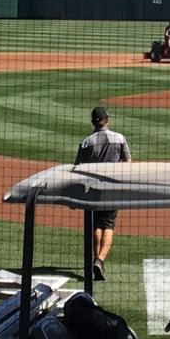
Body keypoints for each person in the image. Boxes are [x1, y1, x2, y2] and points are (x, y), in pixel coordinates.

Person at [72, 104, 130, 281]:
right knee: (109, 224)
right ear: (107, 120)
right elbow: (128, 162)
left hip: (93, 189)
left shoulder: (86, 142)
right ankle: (101, 259)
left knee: (96, 224)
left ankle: (96, 261)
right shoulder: (119, 138)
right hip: (112, 187)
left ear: (93, 122)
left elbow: (78, 167)